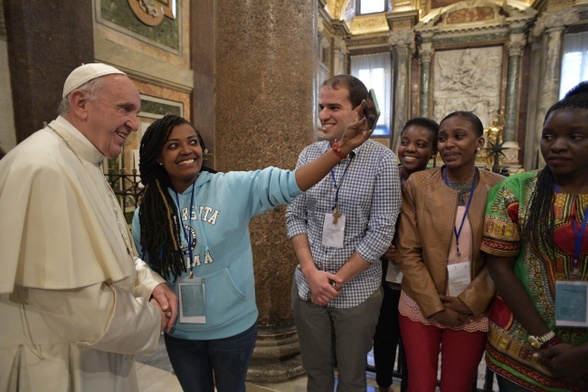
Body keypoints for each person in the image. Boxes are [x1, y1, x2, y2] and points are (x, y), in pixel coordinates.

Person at [131, 107, 374, 392]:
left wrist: (339, 150)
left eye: (193, 142)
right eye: (173, 146)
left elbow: (290, 183)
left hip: (232, 328)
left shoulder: (230, 187)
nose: (187, 150)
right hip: (181, 331)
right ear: (158, 157)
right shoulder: (148, 211)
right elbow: (142, 269)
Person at [0, 63, 178, 391]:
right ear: (81, 103)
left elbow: (116, 252)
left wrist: (150, 284)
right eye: (125, 109)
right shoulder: (43, 168)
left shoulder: (84, 161)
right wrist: (153, 317)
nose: (134, 124)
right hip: (59, 367)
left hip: (96, 356)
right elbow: (78, 309)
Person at [286, 74, 401, 392]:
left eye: (334, 106)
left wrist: (335, 280)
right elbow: (295, 216)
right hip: (309, 288)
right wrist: (311, 274)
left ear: (360, 111)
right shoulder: (309, 156)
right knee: (317, 375)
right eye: (321, 106)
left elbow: (381, 231)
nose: (323, 114)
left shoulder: (382, 161)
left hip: (355, 293)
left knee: (351, 378)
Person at [482, 82, 588, 391]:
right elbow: (499, 267)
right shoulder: (515, 191)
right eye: (549, 136)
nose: (557, 145)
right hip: (522, 346)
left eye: (575, 137)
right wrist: (545, 339)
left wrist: (583, 355)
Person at [396, 111, 503, 392]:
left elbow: (502, 255)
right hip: (421, 302)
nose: (448, 144)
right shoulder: (418, 185)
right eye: (442, 138)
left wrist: (471, 301)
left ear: (479, 142)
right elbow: (407, 251)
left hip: (471, 306)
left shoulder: (500, 188)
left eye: (459, 136)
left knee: (458, 385)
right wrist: (433, 307)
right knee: (420, 384)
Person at [373, 117, 439, 392]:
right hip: (384, 274)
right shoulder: (387, 177)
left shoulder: (436, 185)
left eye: (420, 144)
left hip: (417, 275)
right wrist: (381, 246)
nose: (410, 149)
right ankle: (383, 384)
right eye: (405, 142)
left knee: (415, 344)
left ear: (433, 152)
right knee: (385, 337)